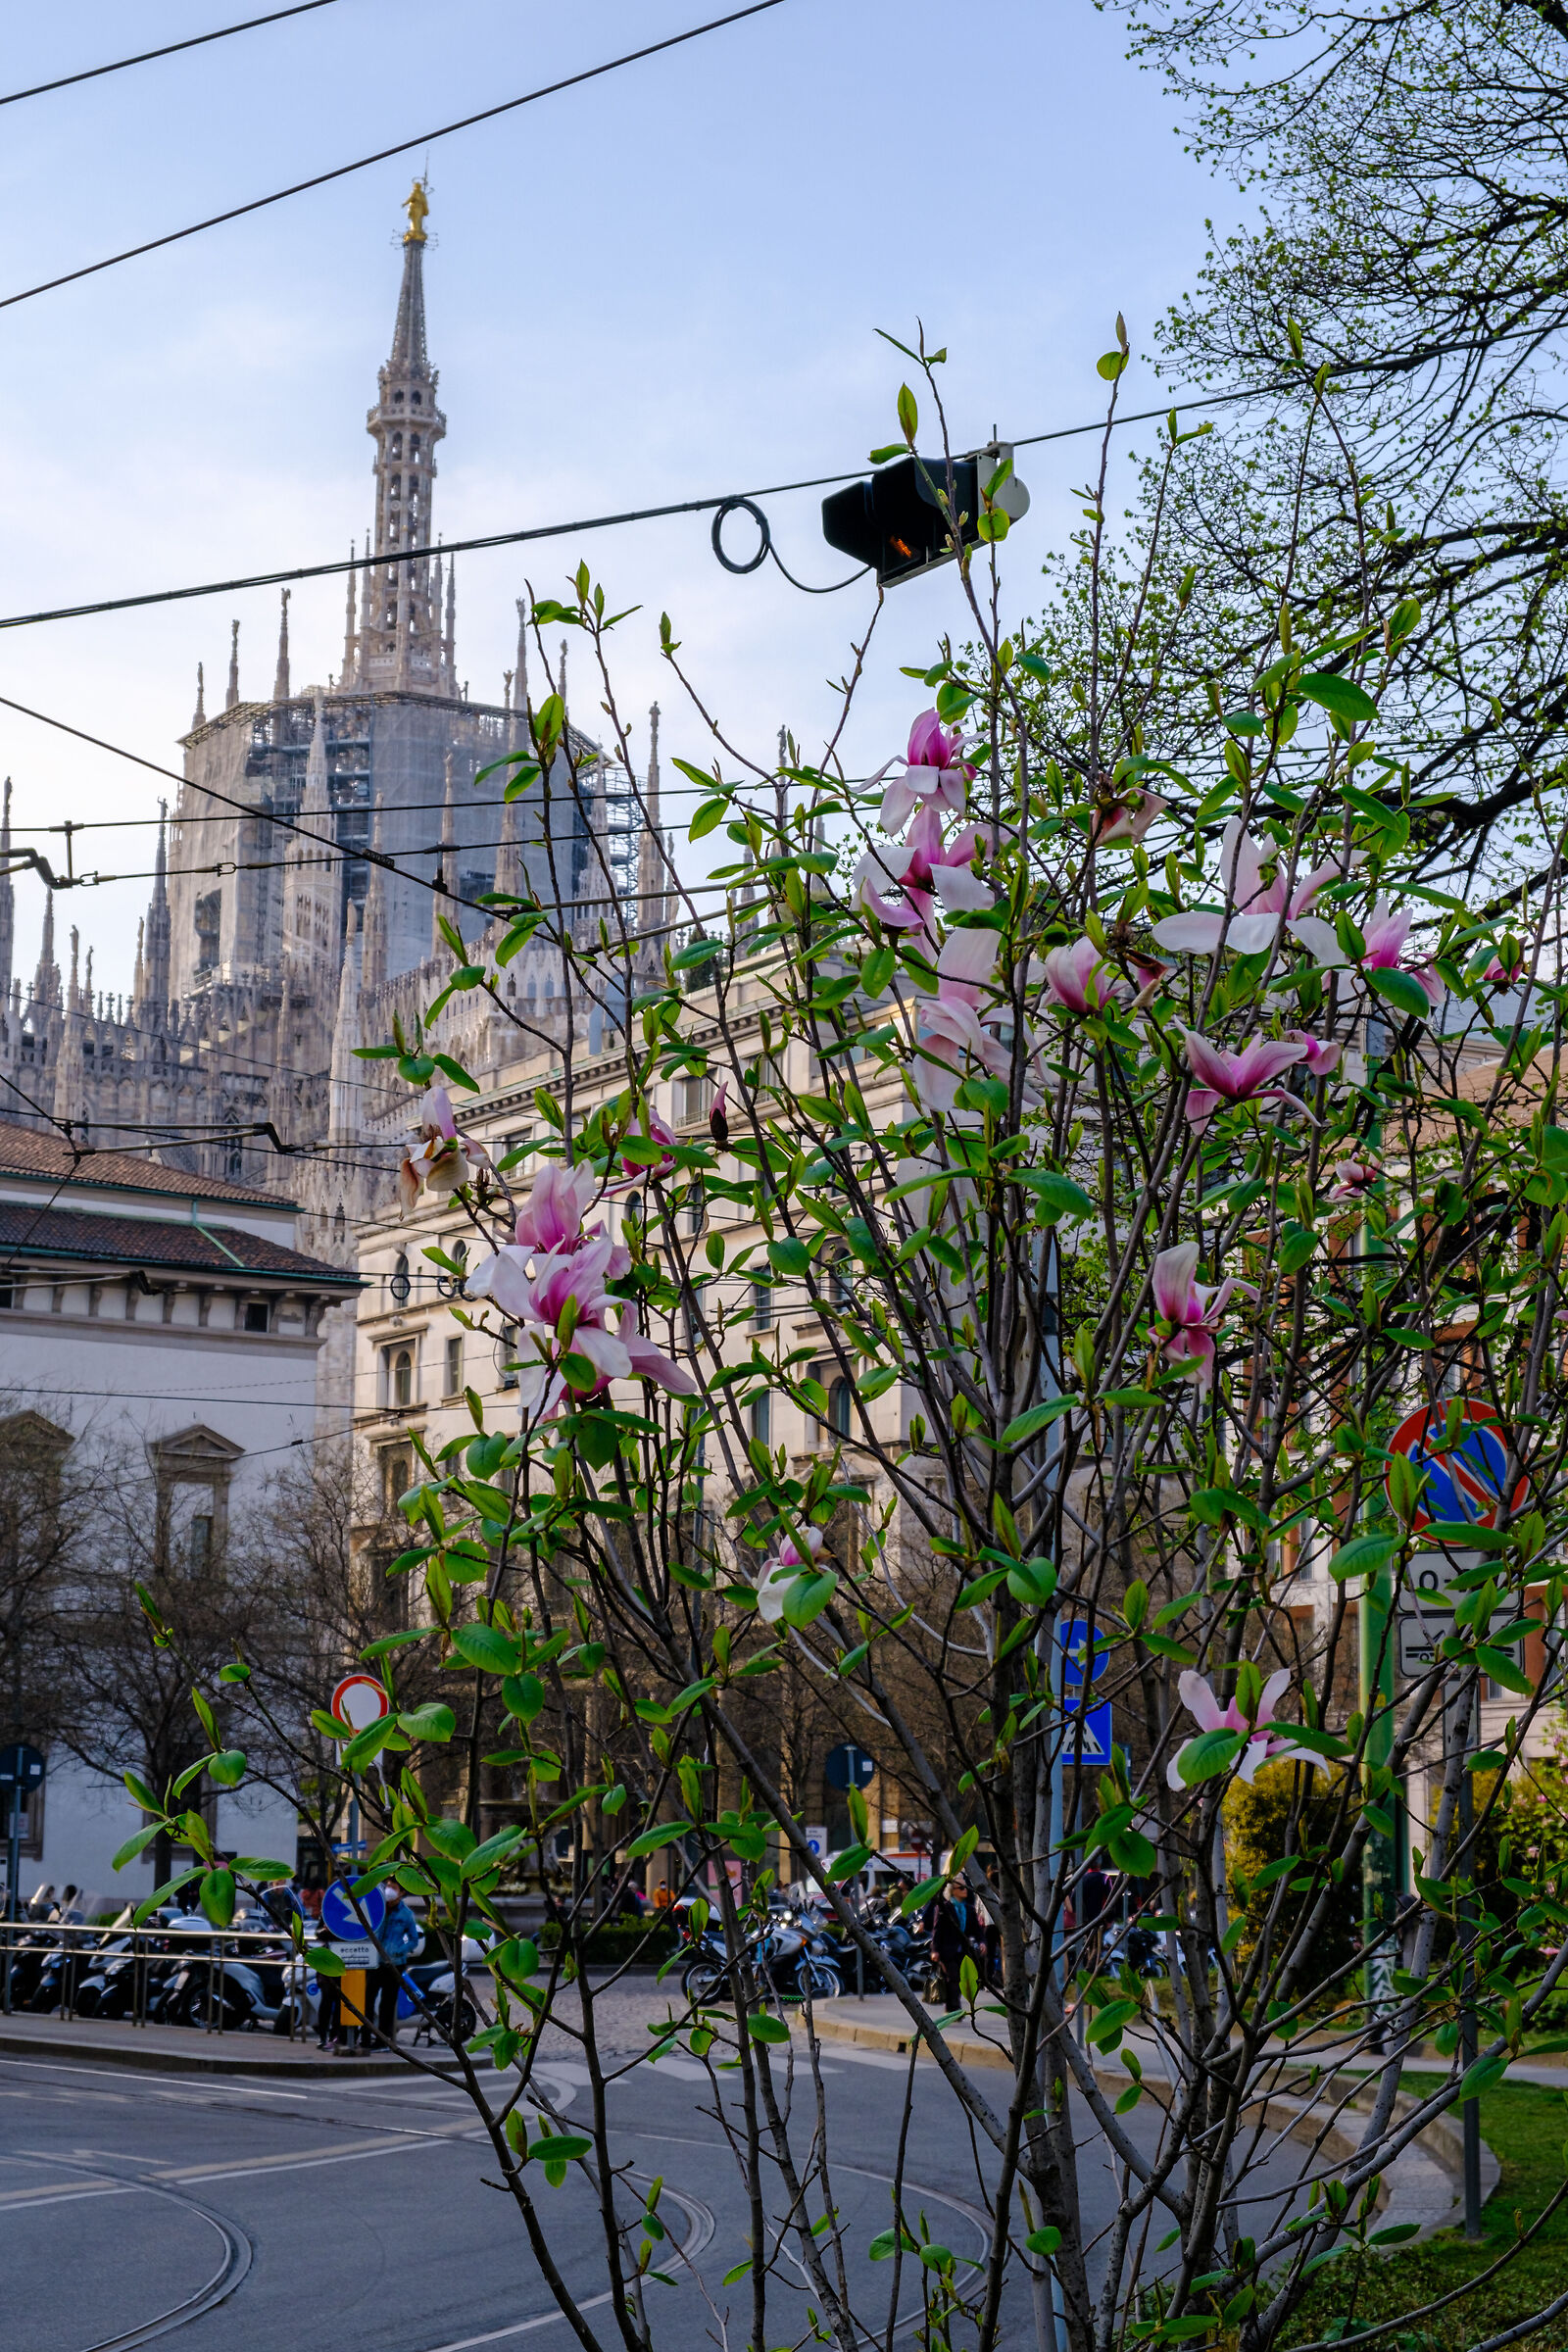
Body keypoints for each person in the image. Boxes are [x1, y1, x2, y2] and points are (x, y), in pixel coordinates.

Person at [365, 1891, 422, 2048]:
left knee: (387, 2004)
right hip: (375, 1962)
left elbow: (414, 1939)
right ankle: (365, 2036)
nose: (389, 1889)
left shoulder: (405, 1914)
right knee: (367, 2000)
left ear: (400, 1893)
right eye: (388, 1885)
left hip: (395, 1964)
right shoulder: (378, 1910)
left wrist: (399, 1950)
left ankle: (383, 2039)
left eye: (393, 1886)